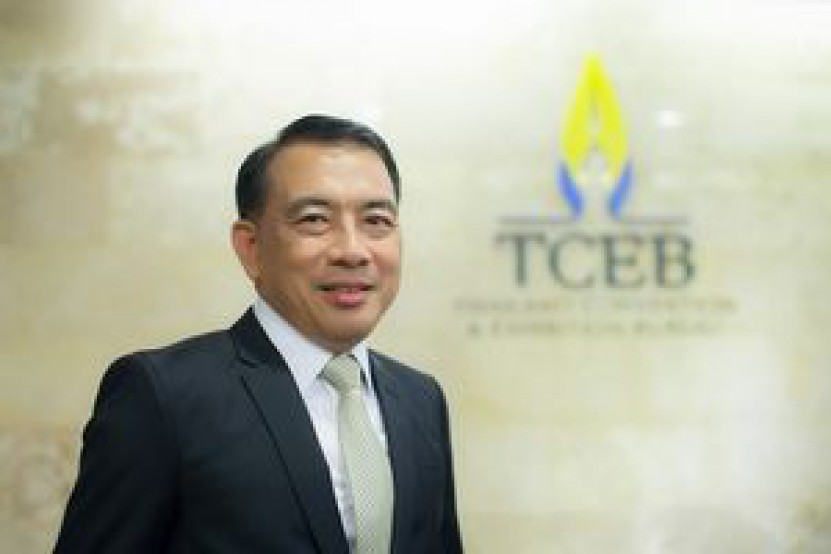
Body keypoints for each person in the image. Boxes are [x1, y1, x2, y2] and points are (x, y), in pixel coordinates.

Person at [53, 114, 463, 553]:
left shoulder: (421, 399)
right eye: (314, 219)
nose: (352, 251)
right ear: (251, 248)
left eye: (376, 220)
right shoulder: (163, 395)